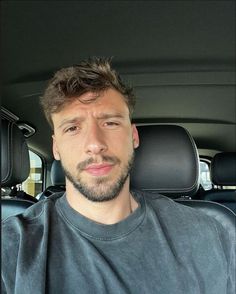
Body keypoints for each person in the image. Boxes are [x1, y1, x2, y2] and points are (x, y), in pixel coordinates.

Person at [2, 58, 235, 294]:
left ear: (133, 137)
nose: (94, 144)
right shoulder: (14, 246)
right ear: (56, 148)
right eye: (72, 128)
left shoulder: (207, 234)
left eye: (110, 123)